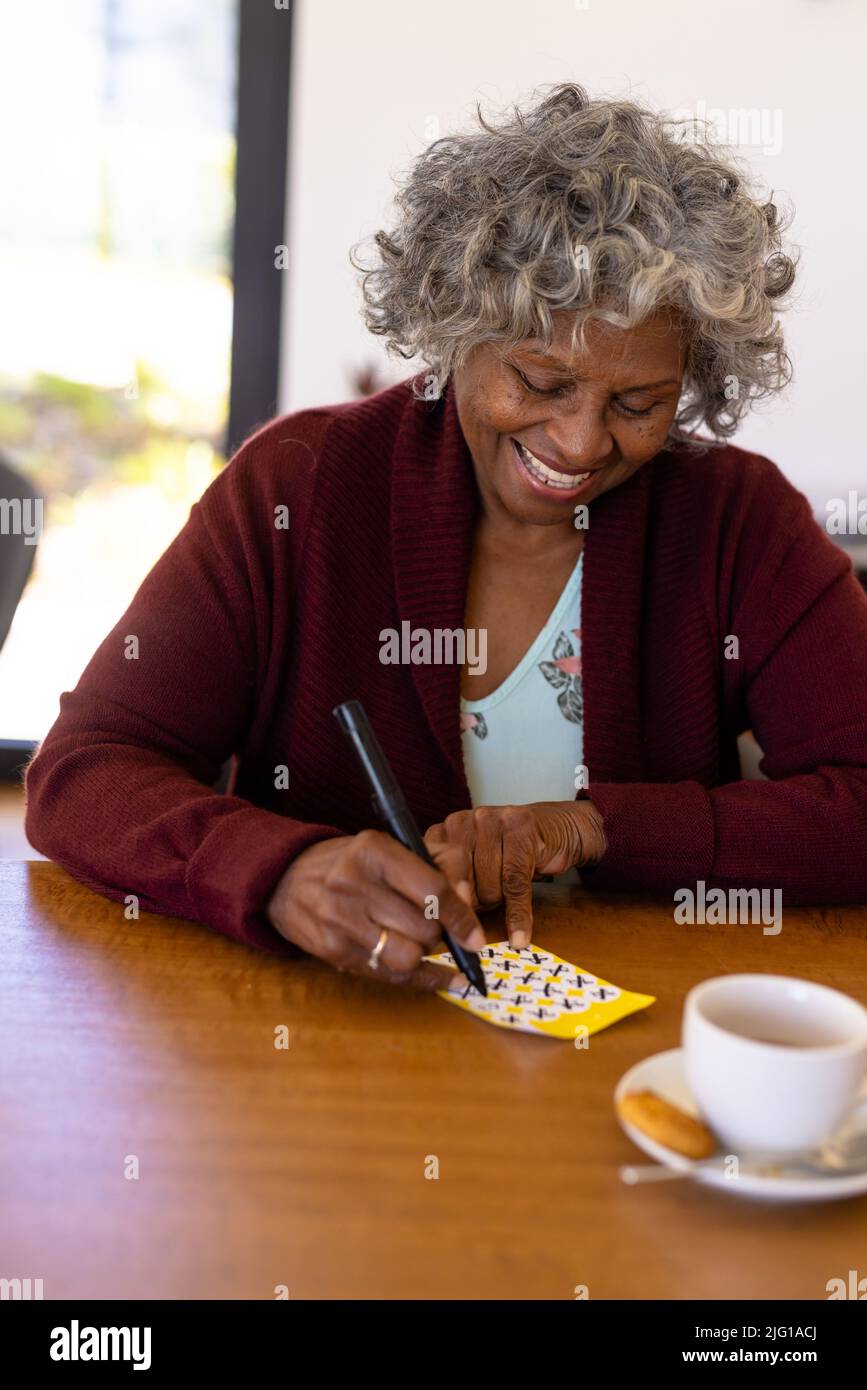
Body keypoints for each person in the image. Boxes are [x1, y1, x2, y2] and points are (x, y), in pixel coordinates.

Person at [26, 84, 867, 992]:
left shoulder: (737, 520)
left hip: (633, 1045)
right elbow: (84, 771)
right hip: (328, 1044)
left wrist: (590, 826)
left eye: (637, 405)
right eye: (540, 383)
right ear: (456, 328)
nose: (581, 443)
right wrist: (275, 871)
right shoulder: (298, 486)